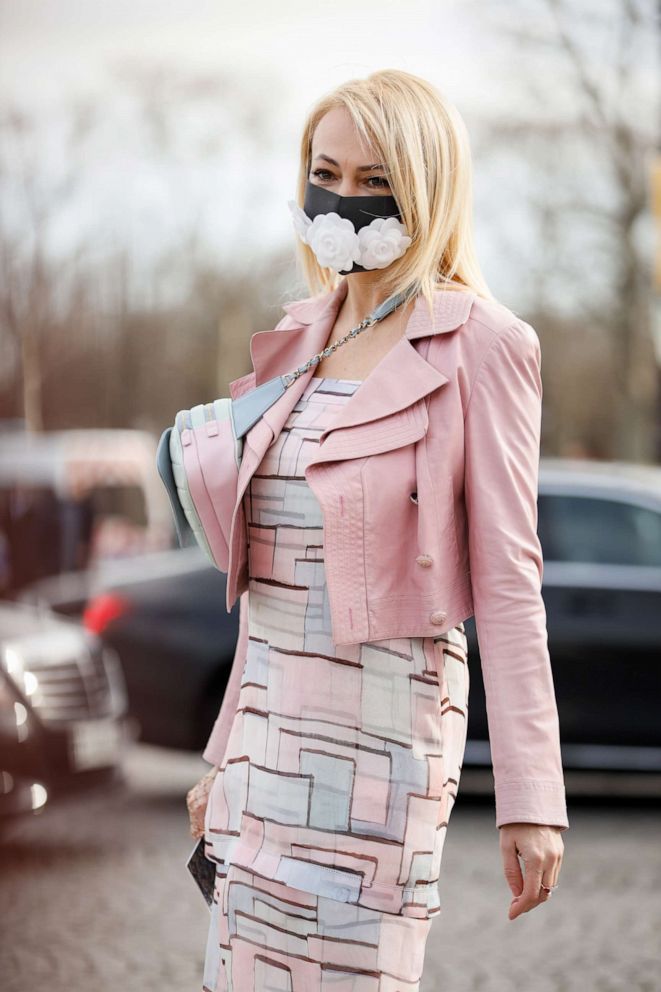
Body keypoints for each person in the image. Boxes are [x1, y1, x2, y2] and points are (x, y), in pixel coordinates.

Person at [187, 68, 568, 991]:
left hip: (377, 760)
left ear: (425, 188)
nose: (343, 199)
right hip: (259, 759)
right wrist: (216, 754)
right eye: (327, 172)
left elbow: (511, 581)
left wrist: (531, 801)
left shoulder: (483, 342)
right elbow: (270, 590)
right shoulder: (298, 340)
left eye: (374, 181)